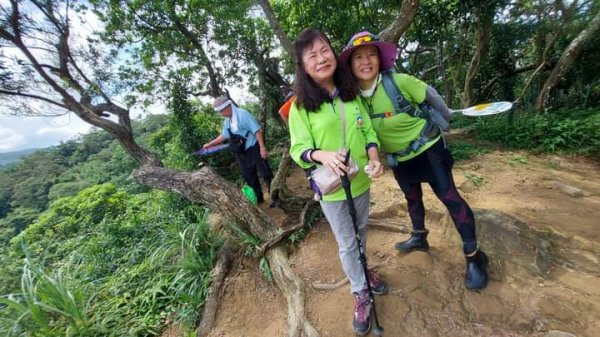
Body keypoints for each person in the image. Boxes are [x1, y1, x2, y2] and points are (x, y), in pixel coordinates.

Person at [339, 31, 489, 290]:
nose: (366, 62)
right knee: (412, 198)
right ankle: (419, 237)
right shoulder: (353, 99)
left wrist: (446, 115)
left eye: (371, 55)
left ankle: (474, 256)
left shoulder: (399, 81)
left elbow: (431, 96)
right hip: (400, 158)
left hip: (429, 149)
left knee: (449, 197)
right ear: (351, 65)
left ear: (380, 59)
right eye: (359, 57)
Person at [288, 27, 386, 335]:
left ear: (333, 53)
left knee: (360, 232)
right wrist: (322, 155)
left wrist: (373, 157)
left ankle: (364, 269)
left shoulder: (350, 92)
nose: (321, 58)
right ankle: (360, 292)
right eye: (312, 55)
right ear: (304, 66)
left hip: (359, 182)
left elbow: (367, 131)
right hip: (332, 190)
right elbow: (298, 149)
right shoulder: (301, 106)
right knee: (346, 242)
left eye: (325, 51)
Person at [203, 96, 273, 204]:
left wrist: (262, 149)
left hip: (254, 147)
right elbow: (224, 135)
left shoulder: (242, 114)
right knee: (249, 176)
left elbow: (257, 131)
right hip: (241, 153)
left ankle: (275, 196)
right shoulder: (228, 121)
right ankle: (259, 199)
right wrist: (210, 144)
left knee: (265, 173)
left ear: (227, 107)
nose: (220, 114)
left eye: (221, 111)